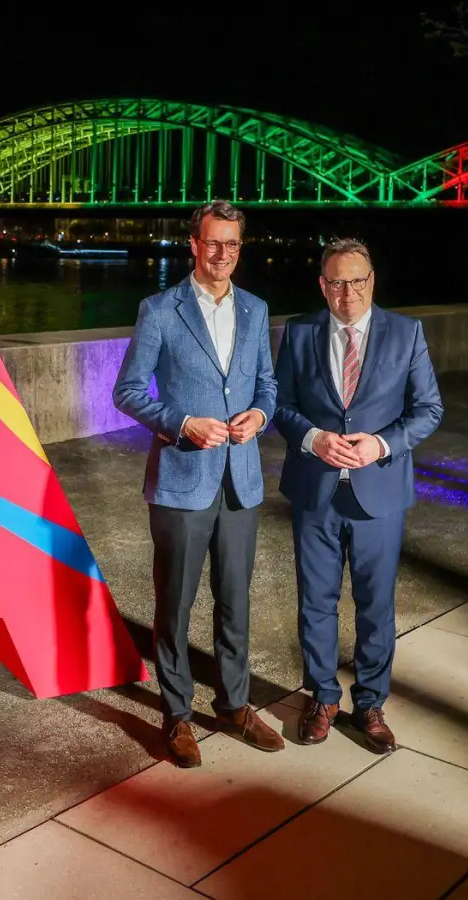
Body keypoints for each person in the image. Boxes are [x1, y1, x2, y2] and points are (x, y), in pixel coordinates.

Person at [113, 201, 282, 767]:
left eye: (232, 245)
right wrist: (181, 424)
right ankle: (178, 714)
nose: (222, 254)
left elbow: (267, 387)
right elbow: (130, 391)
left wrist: (260, 416)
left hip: (241, 481)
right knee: (176, 604)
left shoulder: (256, 310)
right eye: (213, 243)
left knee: (235, 601)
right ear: (193, 243)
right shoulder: (161, 309)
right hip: (182, 480)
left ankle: (234, 705)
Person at [272, 237, 443, 754]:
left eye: (358, 280)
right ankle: (322, 697)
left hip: (379, 492)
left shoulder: (406, 332)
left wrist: (381, 443)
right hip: (315, 489)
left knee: (375, 604)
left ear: (373, 282)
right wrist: (312, 438)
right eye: (338, 282)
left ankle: (370, 703)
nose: (349, 292)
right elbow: (280, 404)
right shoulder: (299, 332)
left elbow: (428, 408)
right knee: (316, 601)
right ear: (323, 286)